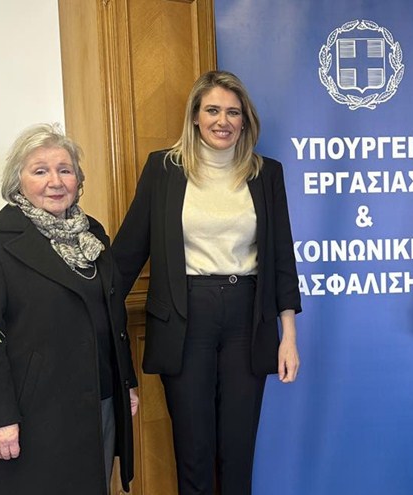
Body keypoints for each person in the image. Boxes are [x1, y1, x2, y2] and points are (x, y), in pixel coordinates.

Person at [112, 70, 301, 495]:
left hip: (246, 319)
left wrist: (288, 336)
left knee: (238, 452)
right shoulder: (164, 169)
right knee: (193, 453)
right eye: (212, 110)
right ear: (195, 116)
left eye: (233, 112)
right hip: (185, 319)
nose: (223, 121)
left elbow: (281, 259)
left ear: (245, 119)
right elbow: (127, 254)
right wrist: (92, 307)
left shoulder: (266, 173)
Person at [0, 123, 139, 495]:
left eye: (65, 170)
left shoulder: (93, 236)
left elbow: (111, 315)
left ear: (78, 180)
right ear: (17, 182)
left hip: (99, 402)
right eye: (40, 171)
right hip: (32, 415)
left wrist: (126, 384)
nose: (55, 181)